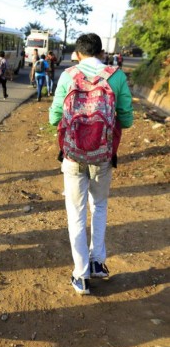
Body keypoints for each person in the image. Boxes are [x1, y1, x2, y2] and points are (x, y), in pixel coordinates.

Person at [49, 33, 133, 295]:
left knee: (76, 212)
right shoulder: (116, 76)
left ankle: (81, 274)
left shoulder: (68, 75)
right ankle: (98, 262)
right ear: (101, 52)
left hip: (73, 155)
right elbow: (127, 120)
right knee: (99, 206)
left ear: (78, 53)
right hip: (103, 155)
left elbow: (54, 118)